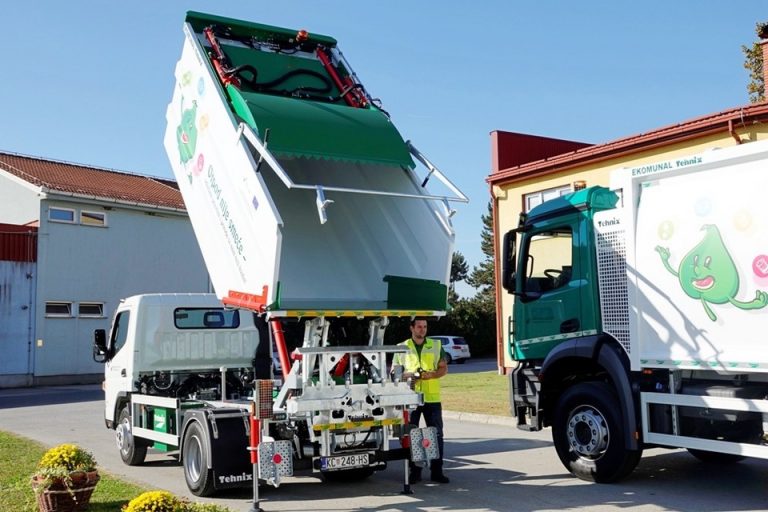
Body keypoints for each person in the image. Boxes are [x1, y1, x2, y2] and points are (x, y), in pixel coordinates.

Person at [392, 317, 450, 484]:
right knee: (412, 435)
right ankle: (415, 472)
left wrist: (431, 374)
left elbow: (443, 368)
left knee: (437, 435)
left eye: (425, 327)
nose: (422, 330)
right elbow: (395, 373)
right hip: (411, 398)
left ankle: (437, 471)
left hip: (432, 398)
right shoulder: (401, 348)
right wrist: (409, 376)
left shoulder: (436, 345)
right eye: (419, 327)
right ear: (412, 328)